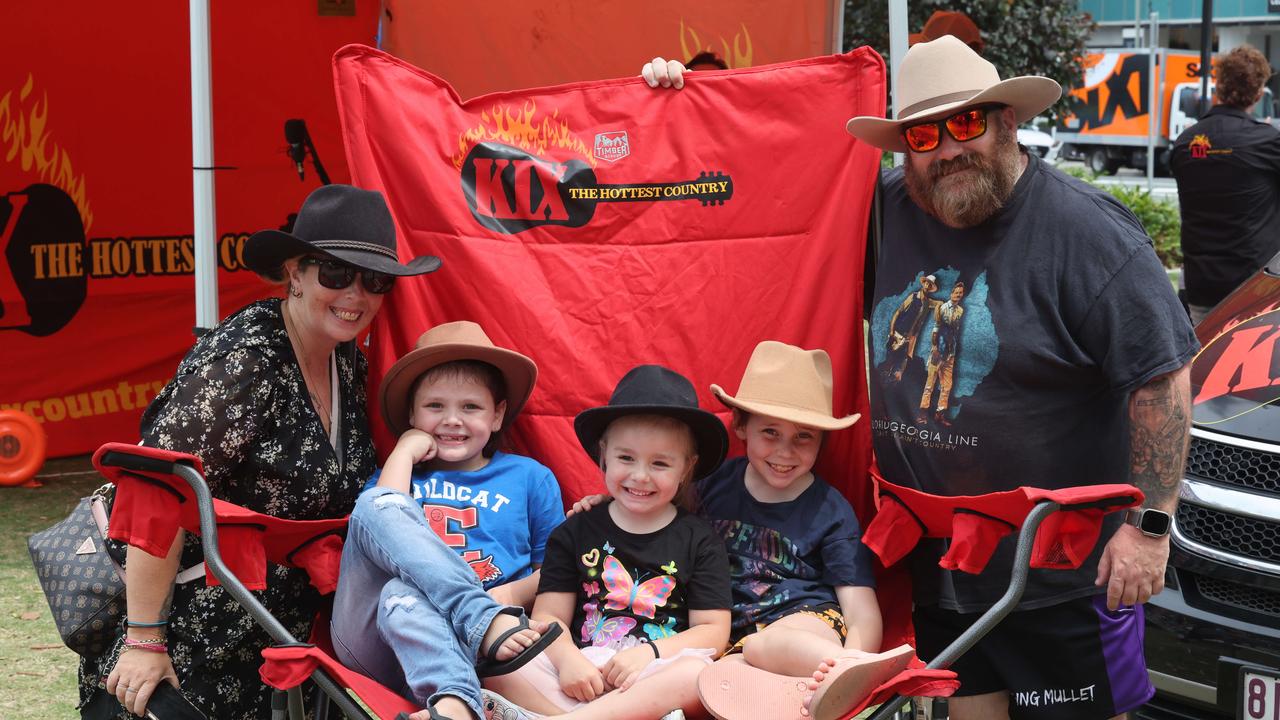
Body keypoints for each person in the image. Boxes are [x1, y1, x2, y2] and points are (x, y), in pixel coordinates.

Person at [646, 33, 1196, 720]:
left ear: (1007, 122)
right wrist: (686, 101)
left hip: (1063, 574)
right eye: (923, 135)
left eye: (965, 124)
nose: (945, 150)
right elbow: (763, 177)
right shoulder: (878, 208)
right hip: (943, 568)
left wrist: (1149, 529)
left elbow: (1161, 380)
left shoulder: (1088, 235)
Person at [84, 184, 442, 719]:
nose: (356, 294)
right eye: (335, 274)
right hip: (189, 637)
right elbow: (156, 490)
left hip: (278, 642)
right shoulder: (245, 360)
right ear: (294, 273)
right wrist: (144, 641)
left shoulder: (347, 361)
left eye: (375, 280)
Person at [330, 320, 565, 720]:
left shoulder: (530, 477)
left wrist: (506, 596)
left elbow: (558, 573)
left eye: (470, 407)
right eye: (435, 406)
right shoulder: (400, 474)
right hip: (381, 646)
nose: (452, 420)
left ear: (497, 415)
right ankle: (479, 618)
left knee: (399, 595)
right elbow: (377, 522)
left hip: (487, 656)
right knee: (374, 508)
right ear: (412, 414)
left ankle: (455, 704)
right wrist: (403, 452)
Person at [483, 364, 733, 720]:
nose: (640, 476)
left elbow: (713, 632)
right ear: (604, 454)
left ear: (686, 469)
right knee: (501, 662)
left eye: (660, 463)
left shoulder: (700, 539)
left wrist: (650, 654)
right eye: (626, 458)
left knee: (697, 676)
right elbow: (549, 615)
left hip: (652, 672)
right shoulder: (574, 531)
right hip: (581, 674)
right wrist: (569, 661)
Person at [693, 340, 914, 720]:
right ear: (741, 426)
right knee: (724, 675)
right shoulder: (711, 487)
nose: (785, 451)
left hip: (810, 624)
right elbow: (656, 516)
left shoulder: (830, 510)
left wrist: (859, 657)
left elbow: (860, 609)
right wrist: (602, 506)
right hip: (737, 645)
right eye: (771, 433)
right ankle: (817, 692)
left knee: (766, 646)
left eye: (803, 436)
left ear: (822, 441)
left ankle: (847, 671)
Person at [1170, 44, 1280, 324]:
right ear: (1257, 93)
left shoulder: (1186, 144)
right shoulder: (1267, 142)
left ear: (1218, 87)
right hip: (1254, 289)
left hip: (1201, 284)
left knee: (1204, 362)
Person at [918, 281, 965, 426]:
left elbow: (955, 331)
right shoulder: (942, 307)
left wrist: (952, 350)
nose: (958, 295)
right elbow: (936, 329)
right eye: (956, 292)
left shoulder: (960, 311)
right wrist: (935, 348)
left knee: (947, 386)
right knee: (930, 384)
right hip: (938, 351)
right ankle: (923, 414)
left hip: (950, 353)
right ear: (951, 293)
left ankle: (940, 414)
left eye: (960, 293)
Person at [884, 273, 939, 381]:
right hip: (899, 331)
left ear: (931, 287)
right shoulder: (913, 296)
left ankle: (896, 379)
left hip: (911, 336)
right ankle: (885, 376)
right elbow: (898, 312)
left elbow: (940, 303)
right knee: (891, 356)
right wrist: (891, 331)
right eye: (927, 283)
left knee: (904, 358)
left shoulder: (928, 302)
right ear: (924, 283)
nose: (927, 286)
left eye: (930, 285)